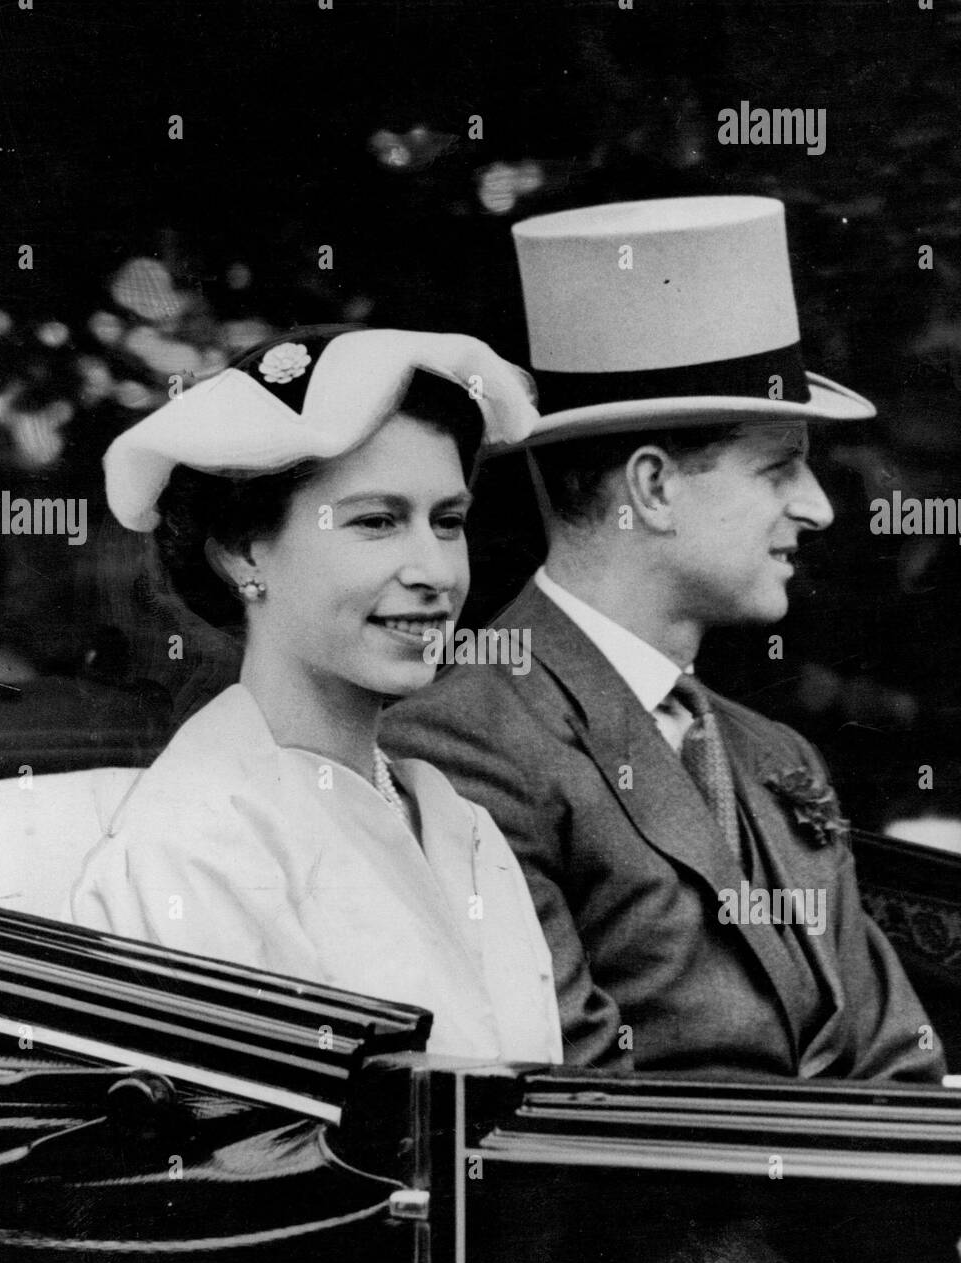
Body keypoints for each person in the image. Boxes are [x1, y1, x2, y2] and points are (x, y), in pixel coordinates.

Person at [383, 197, 945, 1083]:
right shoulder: (464, 745)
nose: (817, 506)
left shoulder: (770, 753)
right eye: (778, 467)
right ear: (650, 488)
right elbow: (577, 1114)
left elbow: (897, 1064)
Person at [70, 326, 562, 1064]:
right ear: (241, 551)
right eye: (377, 522)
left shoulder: (458, 825)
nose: (434, 570)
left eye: (448, 522)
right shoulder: (199, 848)